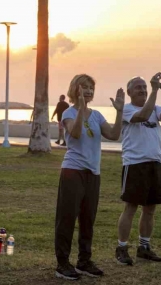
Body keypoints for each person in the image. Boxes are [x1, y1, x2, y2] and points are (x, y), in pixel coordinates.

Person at [54, 74, 124, 281]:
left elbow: (113, 135)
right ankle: (62, 264)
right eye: (84, 86)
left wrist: (119, 112)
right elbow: (74, 134)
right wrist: (80, 109)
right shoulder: (68, 112)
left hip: (93, 173)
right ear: (75, 89)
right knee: (66, 219)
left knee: (88, 219)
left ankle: (84, 261)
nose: (89, 90)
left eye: (91, 87)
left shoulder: (97, 115)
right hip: (72, 171)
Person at [115, 73, 161, 266]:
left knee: (150, 209)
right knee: (131, 207)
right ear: (129, 91)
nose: (142, 90)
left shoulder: (155, 108)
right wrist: (155, 91)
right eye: (138, 87)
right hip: (135, 164)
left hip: (155, 163)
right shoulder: (125, 109)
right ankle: (122, 248)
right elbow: (141, 116)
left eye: (144, 87)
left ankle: (144, 247)